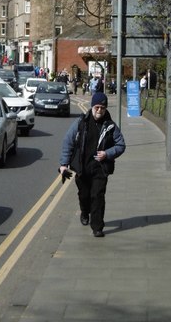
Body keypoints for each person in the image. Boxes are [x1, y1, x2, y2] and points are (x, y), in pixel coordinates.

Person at [58, 92, 126, 238]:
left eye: (102, 107)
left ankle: (97, 227)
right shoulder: (81, 122)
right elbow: (68, 142)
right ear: (92, 107)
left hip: (100, 169)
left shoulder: (111, 126)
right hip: (82, 168)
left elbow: (121, 145)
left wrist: (107, 153)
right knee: (84, 196)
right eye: (97, 107)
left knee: (98, 196)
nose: (99, 110)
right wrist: (64, 164)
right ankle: (84, 211)